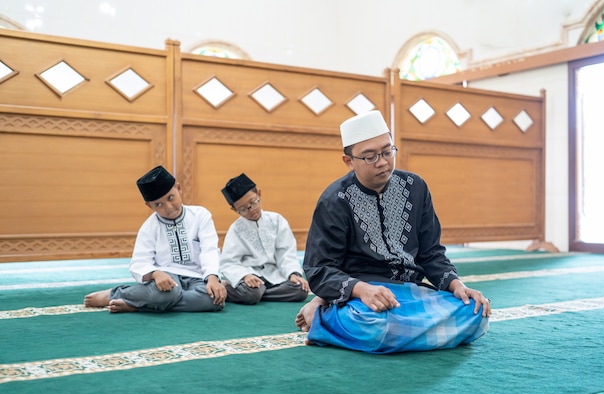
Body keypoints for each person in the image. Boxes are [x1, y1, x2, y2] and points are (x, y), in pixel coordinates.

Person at [295, 110, 490, 354]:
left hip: (410, 292)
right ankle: (322, 317)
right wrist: (361, 289)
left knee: (475, 311)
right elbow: (319, 268)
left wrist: (456, 285)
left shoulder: (415, 187)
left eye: (387, 152)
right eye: (370, 157)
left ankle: (339, 322)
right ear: (349, 161)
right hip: (363, 297)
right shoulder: (335, 200)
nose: (383, 162)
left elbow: (431, 253)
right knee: (377, 326)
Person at [84, 165, 227, 313]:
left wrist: (212, 278)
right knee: (168, 294)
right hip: (166, 277)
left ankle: (138, 304)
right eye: (158, 204)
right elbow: (139, 262)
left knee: (213, 300)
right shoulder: (149, 227)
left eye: (171, 198)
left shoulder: (200, 215)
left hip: (197, 277)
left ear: (179, 188)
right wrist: (155, 273)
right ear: (149, 205)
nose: (169, 207)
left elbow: (209, 249)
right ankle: (116, 294)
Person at [219, 173, 309, 305]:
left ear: (259, 194)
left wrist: (292, 274)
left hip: (275, 275)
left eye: (253, 202)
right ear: (234, 209)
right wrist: (244, 275)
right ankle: (247, 292)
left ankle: (257, 295)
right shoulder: (236, 229)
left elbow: (286, 253)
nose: (251, 210)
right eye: (243, 209)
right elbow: (228, 262)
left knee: (300, 290)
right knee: (252, 291)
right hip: (250, 278)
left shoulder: (277, 220)